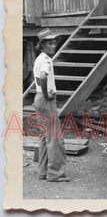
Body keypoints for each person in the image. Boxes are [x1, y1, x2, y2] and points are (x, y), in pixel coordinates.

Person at [32, 28, 69, 182]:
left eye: (54, 42)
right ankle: (55, 173)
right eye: (49, 43)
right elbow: (42, 76)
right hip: (45, 99)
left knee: (45, 137)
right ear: (42, 45)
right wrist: (47, 93)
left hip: (38, 98)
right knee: (55, 138)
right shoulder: (46, 60)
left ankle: (43, 172)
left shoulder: (39, 58)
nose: (53, 45)